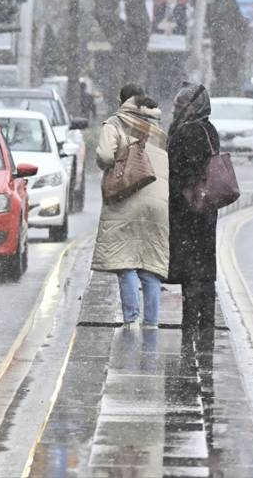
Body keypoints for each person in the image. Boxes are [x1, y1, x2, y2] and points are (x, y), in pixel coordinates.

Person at [93, 83, 170, 329]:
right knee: (150, 265)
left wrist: (117, 161)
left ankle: (130, 320)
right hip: (157, 200)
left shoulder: (116, 123)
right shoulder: (158, 128)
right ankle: (151, 322)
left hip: (127, 195)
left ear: (122, 100)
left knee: (125, 262)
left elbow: (105, 155)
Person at [166, 82, 220, 343]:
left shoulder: (186, 134)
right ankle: (207, 323)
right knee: (205, 269)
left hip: (186, 211)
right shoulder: (210, 130)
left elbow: (176, 171)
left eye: (180, 106)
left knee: (190, 271)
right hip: (206, 209)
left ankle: (191, 325)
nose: (176, 111)